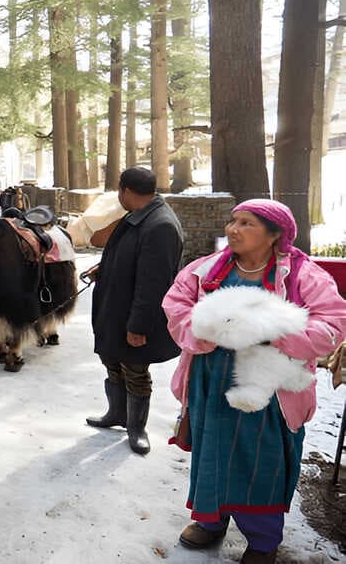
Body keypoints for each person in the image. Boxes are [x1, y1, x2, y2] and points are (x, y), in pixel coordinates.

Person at [162, 199, 346, 564]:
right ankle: (210, 520)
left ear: (275, 234)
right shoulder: (205, 271)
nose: (233, 229)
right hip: (210, 380)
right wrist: (205, 330)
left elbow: (332, 323)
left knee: (262, 461)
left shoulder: (302, 276)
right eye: (233, 221)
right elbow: (176, 306)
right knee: (211, 450)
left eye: (246, 223)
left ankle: (262, 540)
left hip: (269, 389)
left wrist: (272, 335)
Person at [84, 166, 184, 454]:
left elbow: (154, 284)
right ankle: (116, 414)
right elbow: (128, 256)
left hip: (134, 316)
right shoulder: (138, 216)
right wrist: (104, 268)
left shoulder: (160, 225)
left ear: (125, 190)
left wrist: (138, 327)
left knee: (135, 370)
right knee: (113, 360)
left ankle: (136, 428)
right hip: (116, 309)